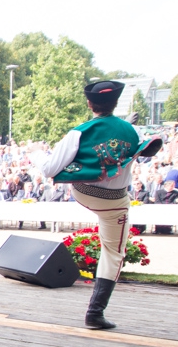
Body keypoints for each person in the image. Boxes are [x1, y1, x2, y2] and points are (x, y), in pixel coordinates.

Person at [31, 80, 161, 330]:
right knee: (113, 253)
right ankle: (95, 313)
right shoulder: (133, 132)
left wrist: (35, 151)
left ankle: (95, 313)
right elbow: (130, 146)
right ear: (116, 103)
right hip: (114, 203)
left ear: (90, 104)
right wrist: (127, 127)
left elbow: (49, 169)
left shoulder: (78, 132)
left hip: (83, 193)